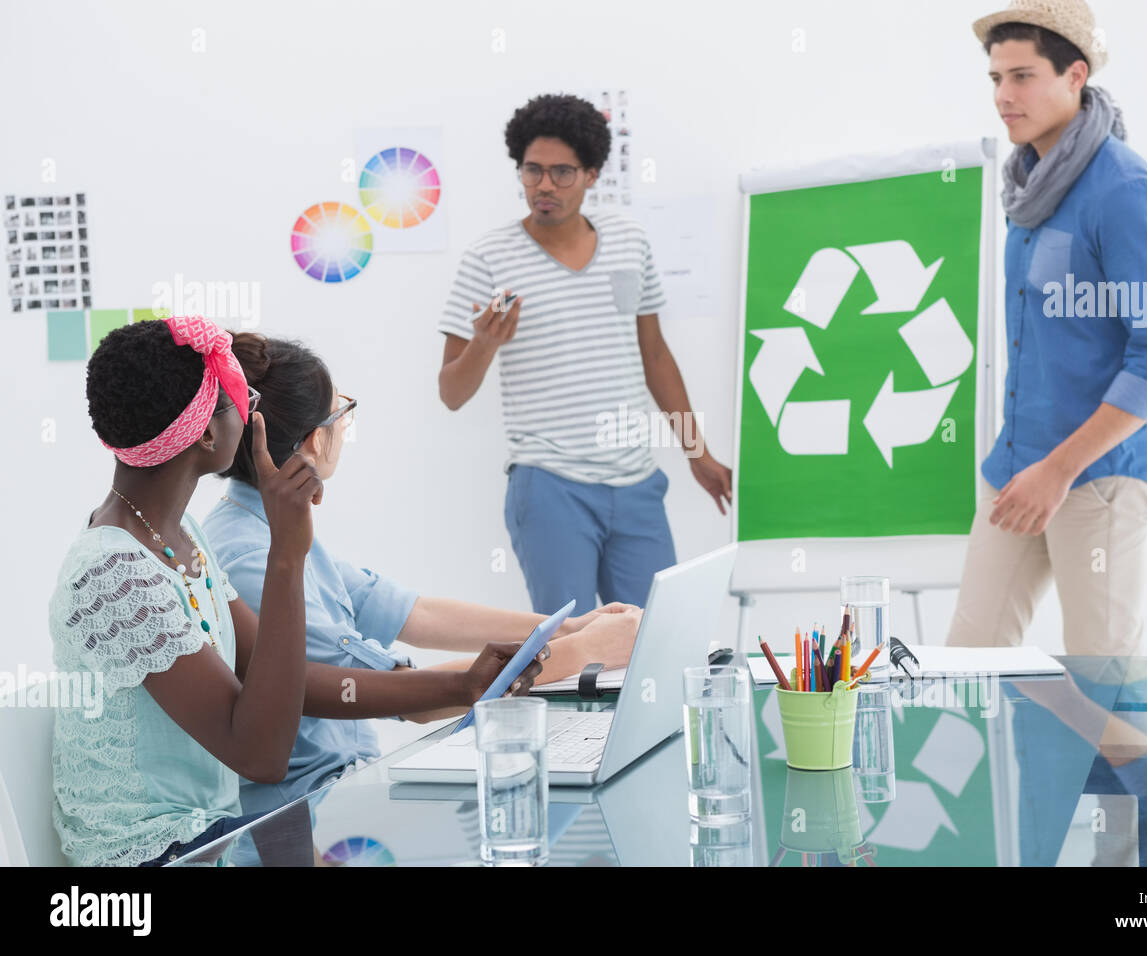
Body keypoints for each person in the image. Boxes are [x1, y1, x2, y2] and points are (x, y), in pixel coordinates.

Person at [50, 315, 541, 866]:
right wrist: (286, 556)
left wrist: (465, 685)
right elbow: (262, 756)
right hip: (156, 859)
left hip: (217, 833)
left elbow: (292, 682)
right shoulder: (117, 576)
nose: (250, 408)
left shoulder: (175, 536)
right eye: (238, 397)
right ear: (208, 434)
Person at [204, 333, 641, 817]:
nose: (346, 427)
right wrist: (585, 652)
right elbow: (402, 697)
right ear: (312, 439)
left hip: (343, 795)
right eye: (341, 413)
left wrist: (570, 629)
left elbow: (417, 613)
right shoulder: (250, 556)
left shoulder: (262, 524)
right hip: (307, 812)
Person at [951, 0, 1147, 868]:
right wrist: (1027, 468)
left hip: (1098, 475)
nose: (1004, 95)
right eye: (995, 78)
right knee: (967, 665)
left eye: (1022, 76)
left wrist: (1058, 470)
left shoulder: (1123, 189)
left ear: (1075, 76)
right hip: (1016, 469)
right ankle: (979, 842)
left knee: (1108, 678)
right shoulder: (1027, 185)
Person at [437, 93, 732, 615]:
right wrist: (486, 342)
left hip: (636, 484)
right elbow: (452, 393)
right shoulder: (488, 258)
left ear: (592, 174)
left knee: (655, 637)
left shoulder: (629, 240)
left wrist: (697, 452)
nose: (544, 185)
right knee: (569, 652)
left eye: (562, 172)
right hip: (549, 485)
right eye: (532, 171)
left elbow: (656, 357)